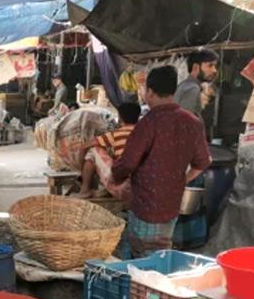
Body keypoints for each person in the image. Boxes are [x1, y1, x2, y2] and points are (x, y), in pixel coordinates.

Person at [111, 66, 211, 258]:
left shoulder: (149, 122)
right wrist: (183, 179)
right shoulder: (192, 122)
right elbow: (203, 162)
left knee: (142, 255)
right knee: (161, 251)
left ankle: (143, 285)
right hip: (172, 203)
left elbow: (127, 164)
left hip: (145, 204)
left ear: (149, 91)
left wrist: (114, 174)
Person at [78, 101, 141, 198]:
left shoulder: (116, 134)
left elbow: (86, 145)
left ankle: (85, 189)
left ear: (120, 118)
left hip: (125, 186)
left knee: (93, 150)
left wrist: (80, 164)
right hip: (144, 184)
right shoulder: (145, 133)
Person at [175, 50, 218, 119]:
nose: (214, 70)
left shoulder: (185, 85)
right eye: (210, 65)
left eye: (215, 66)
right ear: (195, 67)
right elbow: (184, 122)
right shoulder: (192, 88)